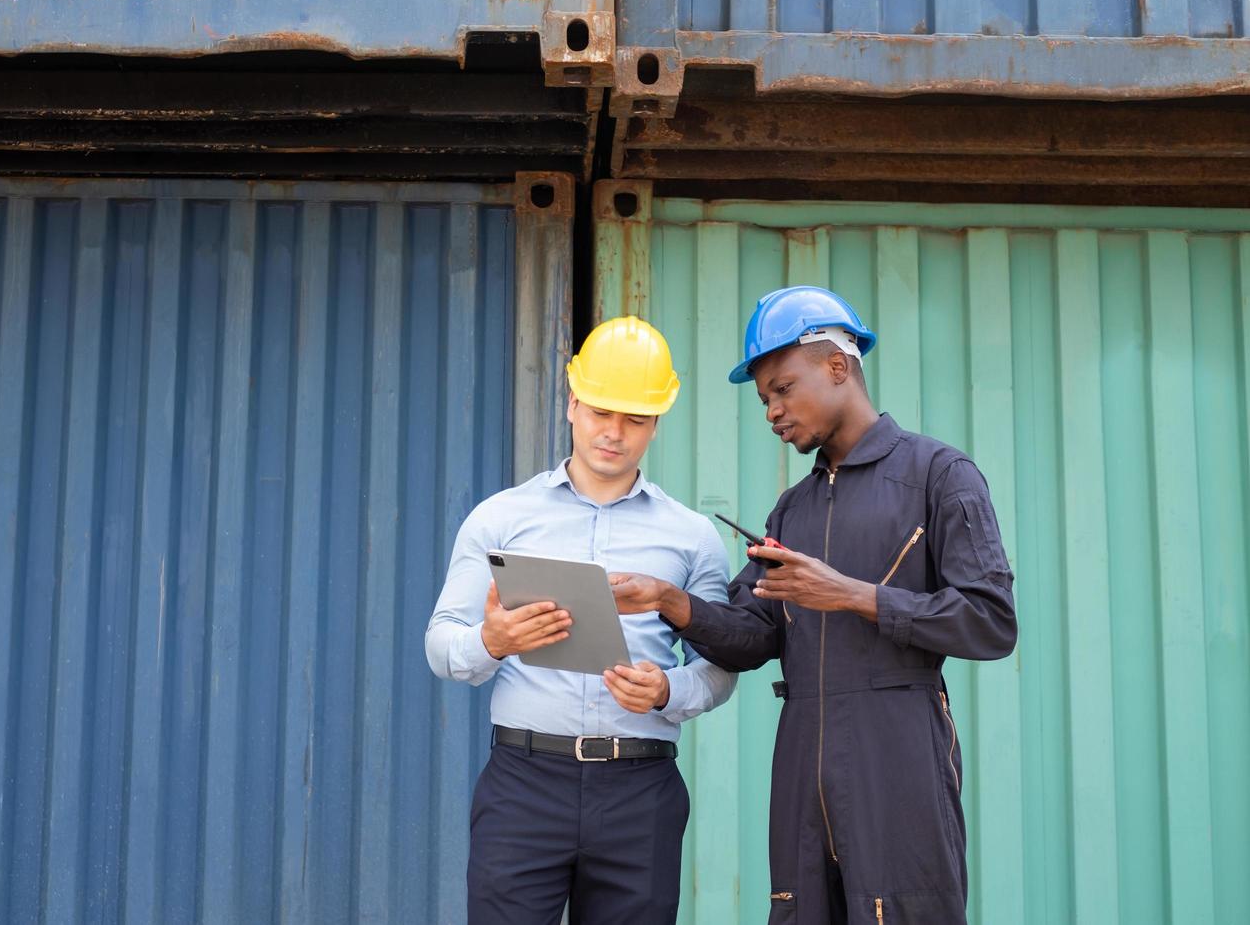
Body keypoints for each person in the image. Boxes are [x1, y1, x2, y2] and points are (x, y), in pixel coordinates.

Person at [610, 287, 1016, 924]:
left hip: (899, 746)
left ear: (836, 366)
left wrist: (853, 595)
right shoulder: (792, 510)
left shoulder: (939, 475)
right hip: (803, 757)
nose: (772, 410)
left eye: (782, 388)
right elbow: (751, 638)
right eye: (764, 399)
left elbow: (991, 622)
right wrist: (672, 602)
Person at [425, 316, 738, 925]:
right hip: (523, 785)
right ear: (572, 403)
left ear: (656, 423)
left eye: (635, 419)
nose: (614, 433)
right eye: (600, 412)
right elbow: (442, 643)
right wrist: (492, 641)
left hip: (640, 790)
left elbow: (721, 666)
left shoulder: (693, 538)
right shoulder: (501, 518)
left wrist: (669, 689)